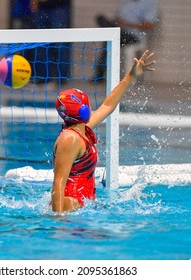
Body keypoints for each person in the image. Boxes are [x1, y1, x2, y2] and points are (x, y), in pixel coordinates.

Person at [52, 50, 155, 213]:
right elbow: (58, 183)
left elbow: (107, 106)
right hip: (69, 208)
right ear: (83, 111)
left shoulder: (80, 130)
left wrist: (131, 75)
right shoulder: (70, 139)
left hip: (82, 207)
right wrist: (57, 222)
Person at [93, 0, 158, 80]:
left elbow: (149, 25)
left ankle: (100, 74)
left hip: (135, 36)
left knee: (109, 39)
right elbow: (118, 19)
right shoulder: (126, 2)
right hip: (120, 31)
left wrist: (127, 24)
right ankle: (109, 29)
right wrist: (118, 22)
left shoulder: (149, 3)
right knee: (101, 19)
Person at [29, 0, 72, 84]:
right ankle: (43, 77)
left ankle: (62, 78)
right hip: (41, 8)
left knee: (60, 43)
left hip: (59, 8)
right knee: (40, 44)